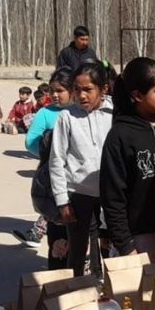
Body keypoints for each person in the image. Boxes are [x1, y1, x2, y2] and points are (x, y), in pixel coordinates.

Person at [100, 57, 155, 263]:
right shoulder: (120, 136)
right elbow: (112, 196)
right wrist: (125, 245)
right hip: (139, 237)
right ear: (137, 95)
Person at [49, 63, 113, 277]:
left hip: (110, 194)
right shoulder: (66, 118)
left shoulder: (114, 113)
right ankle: (75, 290)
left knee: (109, 246)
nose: (82, 95)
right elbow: (57, 160)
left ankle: (104, 288)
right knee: (77, 249)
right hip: (79, 195)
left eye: (88, 89)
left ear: (103, 89)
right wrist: (62, 201)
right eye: (77, 90)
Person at [14, 68, 74, 250]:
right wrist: (50, 151)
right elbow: (31, 142)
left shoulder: (81, 111)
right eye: (51, 91)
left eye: (60, 91)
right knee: (55, 215)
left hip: (79, 178)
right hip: (53, 175)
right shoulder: (45, 113)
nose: (54, 95)